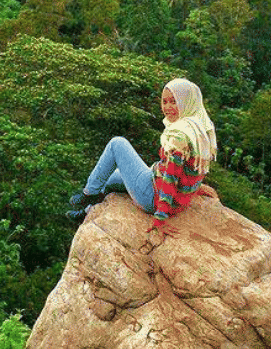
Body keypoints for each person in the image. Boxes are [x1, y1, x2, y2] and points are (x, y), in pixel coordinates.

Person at [67, 78, 217, 238]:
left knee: (117, 144)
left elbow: (171, 177)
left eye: (174, 102)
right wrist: (193, 188)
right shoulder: (200, 129)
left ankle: (88, 194)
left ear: (186, 102)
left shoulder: (179, 137)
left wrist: (160, 218)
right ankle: (87, 211)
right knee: (110, 177)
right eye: (164, 101)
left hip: (151, 195)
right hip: (170, 195)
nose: (167, 107)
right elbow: (190, 169)